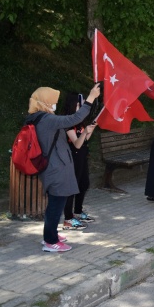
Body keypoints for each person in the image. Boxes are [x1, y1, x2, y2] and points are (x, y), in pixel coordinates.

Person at [26, 83, 101, 252]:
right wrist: (91, 98)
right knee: (56, 204)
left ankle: (50, 233)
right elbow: (73, 119)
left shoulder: (39, 117)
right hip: (55, 168)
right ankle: (50, 242)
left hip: (54, 167)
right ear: (44, 101)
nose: (55, 104)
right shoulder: (46, 119)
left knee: (55, 203)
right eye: (52, 101)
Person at [60, 93, 97, 230]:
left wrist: (90, 130)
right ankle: (68, 219)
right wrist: (84, 132)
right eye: (78, 105)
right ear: (71, 105)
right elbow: (76, 144)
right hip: (72, 158)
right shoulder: (67, 122)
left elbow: (84, 141)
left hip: (82, 156)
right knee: (72, 187)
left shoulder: (79, 122)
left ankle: (78, 211)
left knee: (84, 183)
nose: (80, 108)